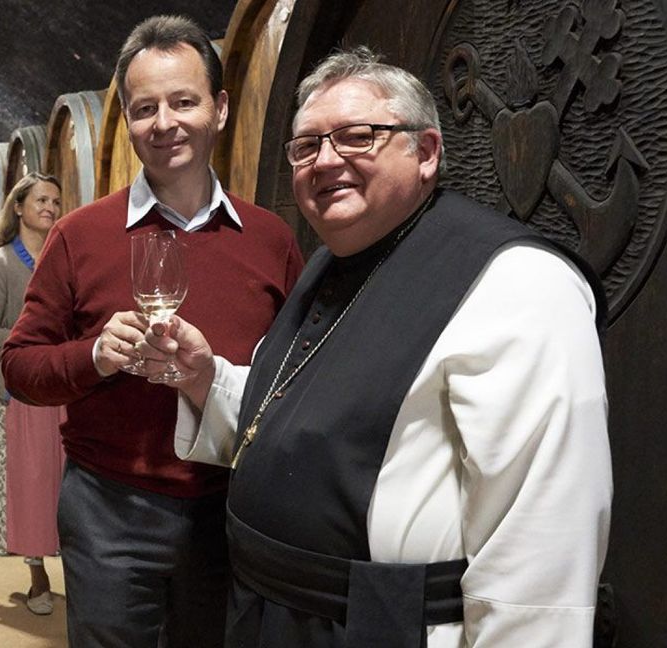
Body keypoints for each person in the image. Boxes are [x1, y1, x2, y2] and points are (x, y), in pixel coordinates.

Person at [144, 47, 611, 646]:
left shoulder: (517, 282)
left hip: (379, 628)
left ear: (426, 152)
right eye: (306, 146)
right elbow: (299, 420)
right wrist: (206, 378)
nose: (326, 160)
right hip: (269, 615)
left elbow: (542, 550)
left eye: (358, 137)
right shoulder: (331, 263)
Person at [0, 16, 304, 647]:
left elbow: (299, 377)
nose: (164, 123)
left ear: (220, 109)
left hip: (229, 510)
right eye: (144, 109)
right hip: (110, 511)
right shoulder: (80, 234)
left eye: (184, 101)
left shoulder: (270, 239)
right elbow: (20, 366)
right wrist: (95, 357)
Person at [0, 173, 67, 615]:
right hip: (18, 391)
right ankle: (36, 572)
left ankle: (73, 567)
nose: (50, 207)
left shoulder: (65, 259)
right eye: (41, 199)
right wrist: (32, 343)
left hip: (64, 385)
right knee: (28, 485)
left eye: (56, 201)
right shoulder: (1, 263)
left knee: (63, 484)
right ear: (19, 207)